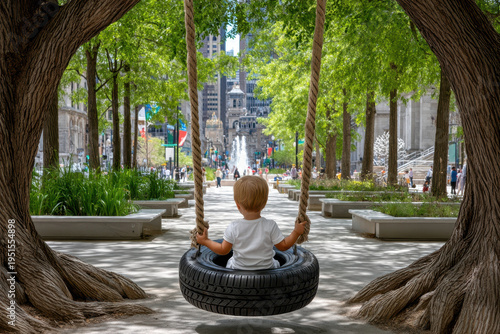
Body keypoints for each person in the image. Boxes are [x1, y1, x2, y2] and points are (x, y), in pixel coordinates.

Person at [196, 176, 307, 270]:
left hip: (238, 271)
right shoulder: (270, 225)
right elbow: (283, 246)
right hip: (267, 271)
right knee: (275, 262)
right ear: (264, 203)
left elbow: (223, 250)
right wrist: (296, 232)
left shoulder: (234, 227)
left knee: (230, 261)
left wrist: (205, 241)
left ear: (238, 205)